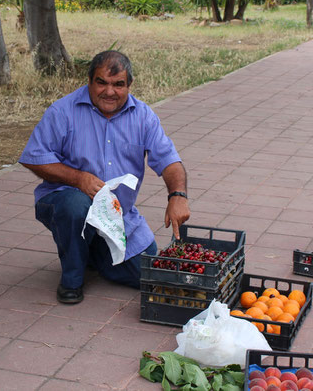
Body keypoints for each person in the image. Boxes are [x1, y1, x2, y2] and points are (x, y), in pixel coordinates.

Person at [19, 50, 191, 304]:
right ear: (89, 81)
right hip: (63, 202)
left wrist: (177, 196)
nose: (109, 92)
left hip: (116, 213)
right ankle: (72, 280)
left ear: (129, 85)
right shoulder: (63, 111)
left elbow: (169, 161)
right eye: (101, 82)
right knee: (76, 206)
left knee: (143, 272)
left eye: (118, 84)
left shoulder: (143, 116)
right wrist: (78, 178)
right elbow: (33, 156)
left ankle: (91, 250)